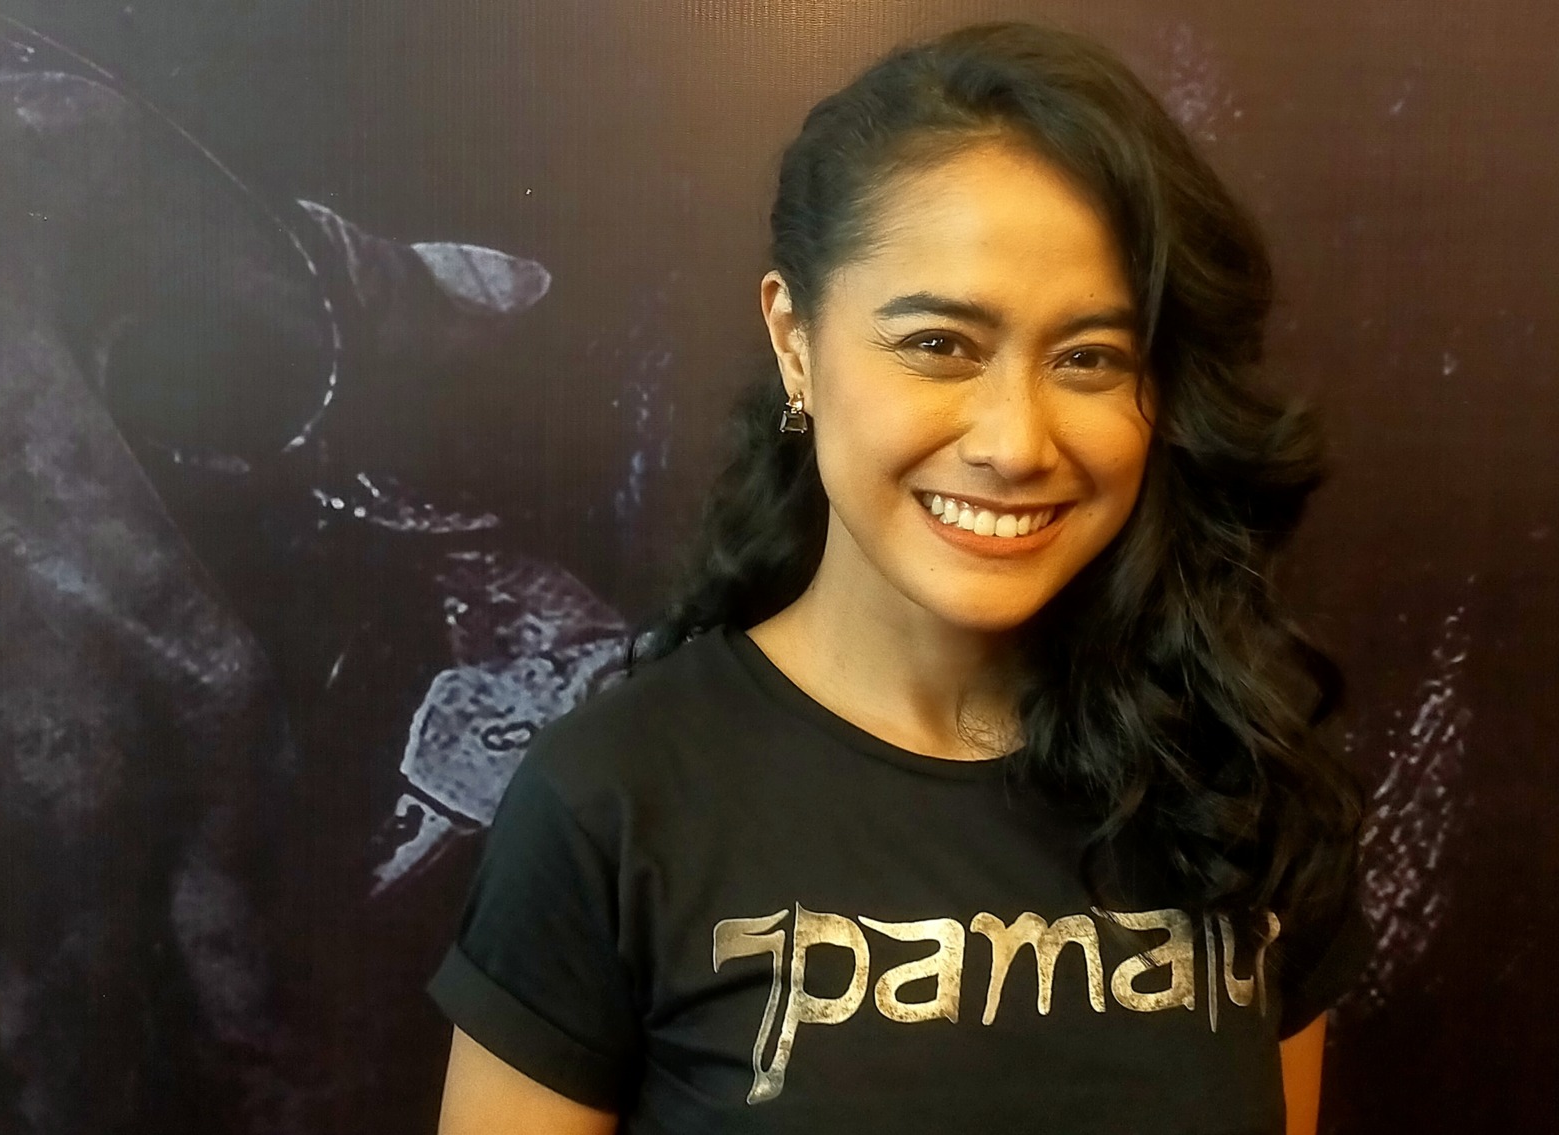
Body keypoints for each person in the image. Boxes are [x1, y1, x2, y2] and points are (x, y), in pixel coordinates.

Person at [428, 20, 1372, 1135]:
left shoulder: (1240, 790)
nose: (1015, 443)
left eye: (1088, 358)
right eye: (939, 344)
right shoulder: (613, 802)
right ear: (795, 340)